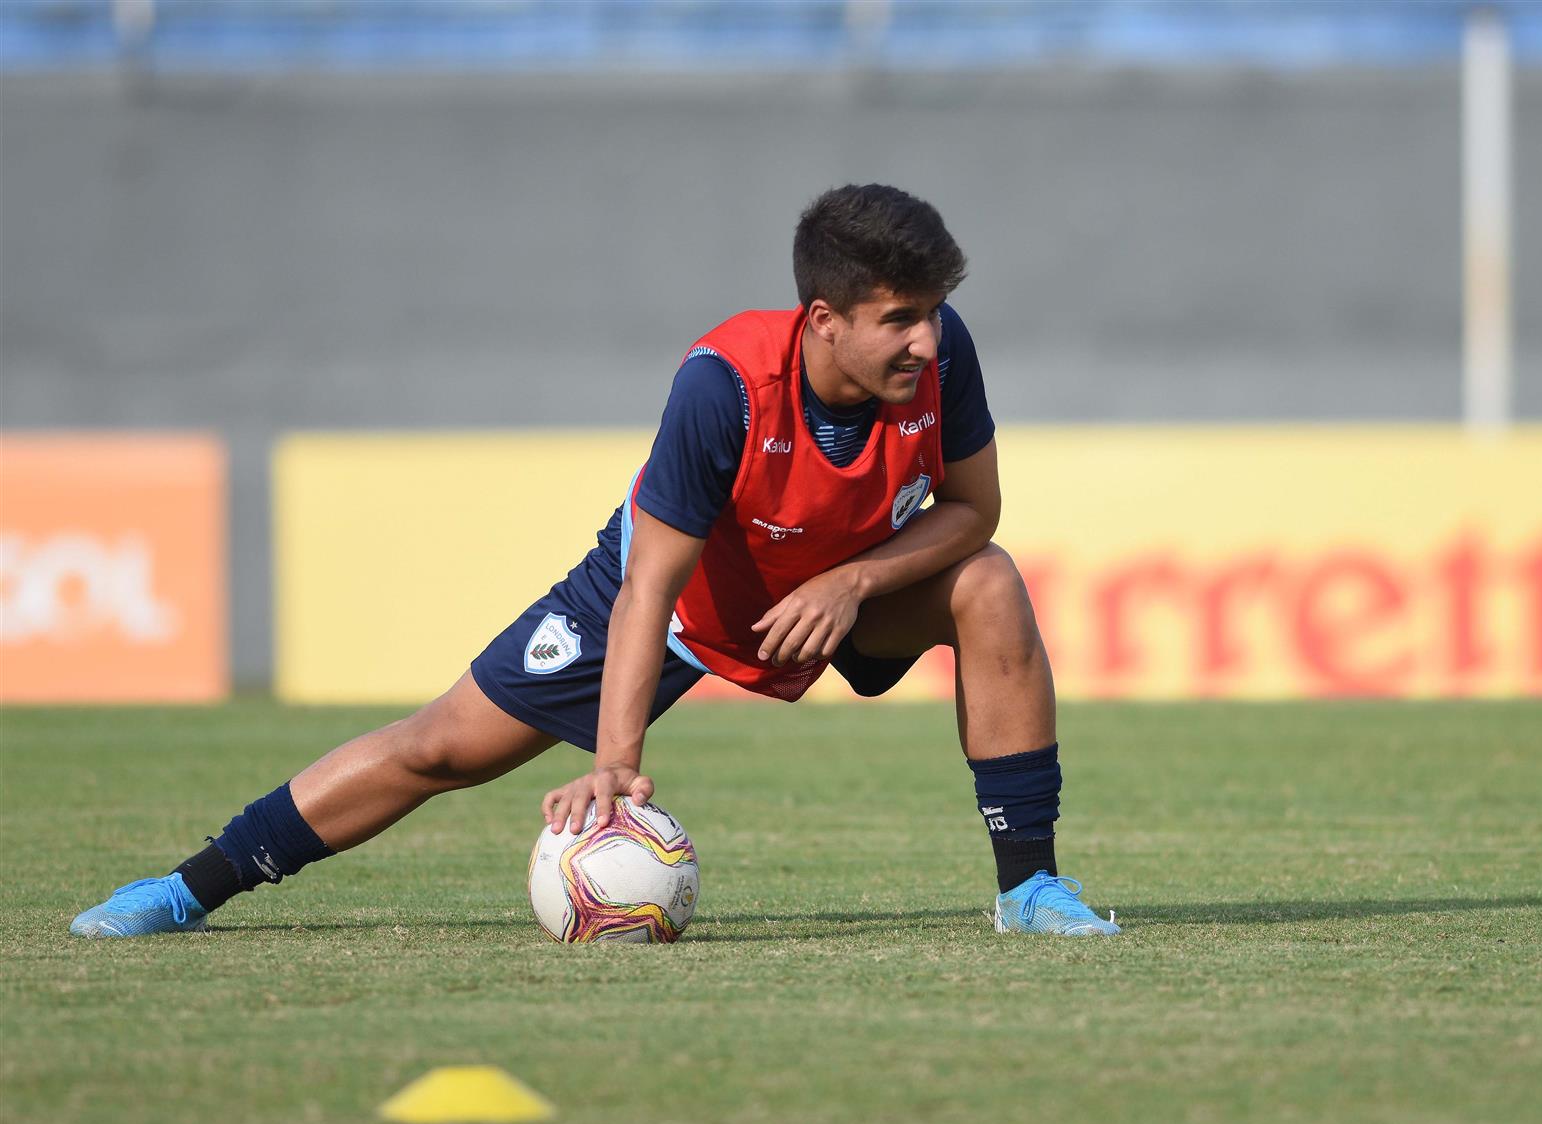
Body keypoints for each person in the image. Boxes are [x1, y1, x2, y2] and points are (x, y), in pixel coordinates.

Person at [70, 183, 1119, 939]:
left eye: (933, 314)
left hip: (833, 589)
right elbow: (648, 587)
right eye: (899, 320)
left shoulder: (945, 357)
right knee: (439, 747)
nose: (926, 343)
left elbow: (973, 511)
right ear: (821, 319)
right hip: (678, 603)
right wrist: (614, 763)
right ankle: (188, 888)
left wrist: (849, 579)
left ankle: (1028, 890)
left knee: (990, 585)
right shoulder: (724, 387)